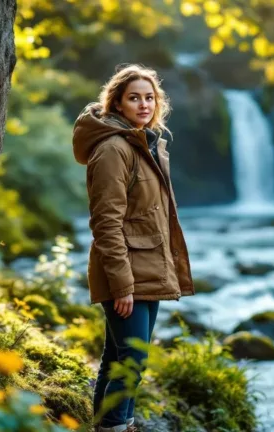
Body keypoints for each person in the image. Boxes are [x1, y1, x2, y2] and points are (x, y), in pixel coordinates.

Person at [72, 64, 196, 432]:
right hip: (126, 271)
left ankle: (107, 425)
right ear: (118, 103)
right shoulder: (114, 148)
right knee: (133, 359)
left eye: (149, 97)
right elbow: (106, 222)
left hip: (148, 266)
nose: (143, 104)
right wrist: (122, 285)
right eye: (134, 98)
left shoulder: (148, 144)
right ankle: (115, 425)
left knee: (118, 358)